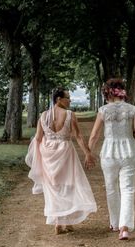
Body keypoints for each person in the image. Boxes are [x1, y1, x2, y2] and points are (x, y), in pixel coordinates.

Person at [25, 88, 97, 234]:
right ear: (58, 99)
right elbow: (78, 136)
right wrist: (87, 153)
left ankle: (59, 222)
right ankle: (66, 222)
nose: (70, 100)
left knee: (54, 187)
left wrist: (37, 158)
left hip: (48, 154)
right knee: (68, 185)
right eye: (67, 97)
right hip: (65, 152)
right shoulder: (69, 115)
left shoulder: (43, 116)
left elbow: (38, 138)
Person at [88, 78, 135, 240]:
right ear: (122, 91)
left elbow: (94, 135)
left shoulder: (103, 110)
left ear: (107, 92)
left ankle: (114, 223)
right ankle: (124, 227)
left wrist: (88, 153)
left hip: (109, 153)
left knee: (111, 188)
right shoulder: (132, 109)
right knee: (128, 189)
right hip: (129, 152)